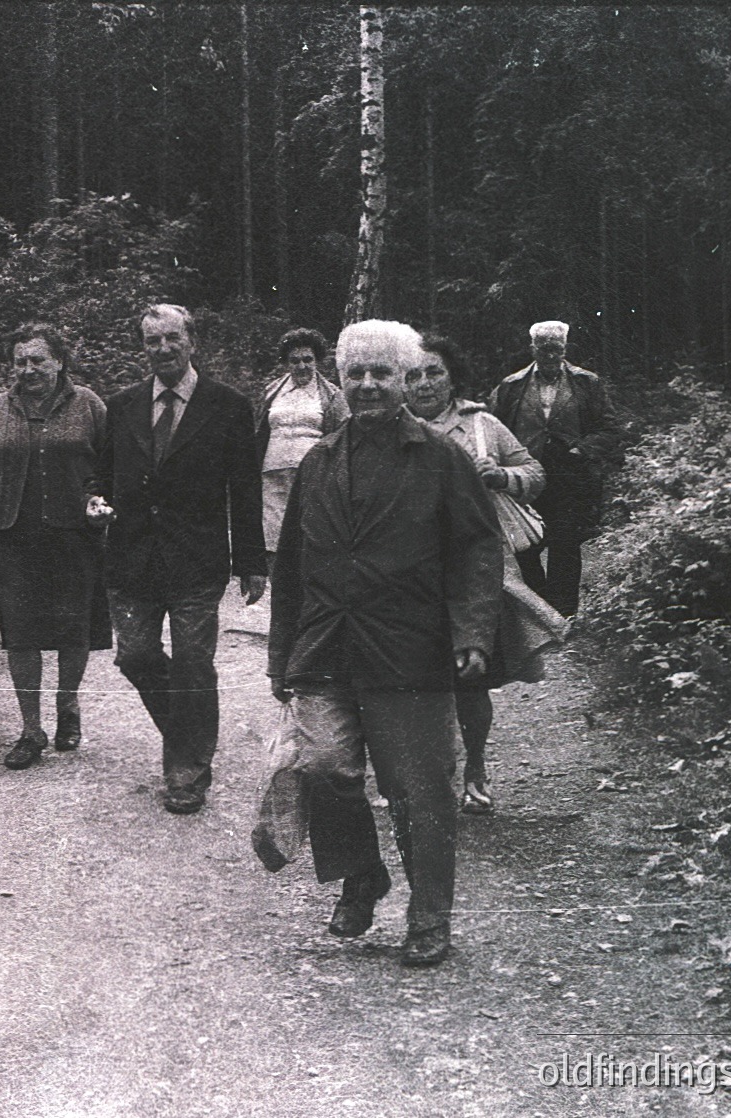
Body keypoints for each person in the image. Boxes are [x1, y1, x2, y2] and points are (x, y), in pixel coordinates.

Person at [254, 320, 503, 966]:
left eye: (382, 374)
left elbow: (478, 550)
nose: (367, 385)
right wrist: (282, 655)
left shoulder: (441, 458)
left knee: (419, 789)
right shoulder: (320, 460)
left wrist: (473, 633)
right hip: (328, 645)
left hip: (410, 649)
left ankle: (429, 917)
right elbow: (292, 569)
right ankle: (363, 871)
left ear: (405, 381)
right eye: (356, 373)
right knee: (324, 765)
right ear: (343, 380)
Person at [93, 304, 267, 815]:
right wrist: (94, 501)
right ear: (142, 347)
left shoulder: (228, 405)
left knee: (193, 663)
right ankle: (191, 740)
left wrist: (251, 560)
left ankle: (186, 773)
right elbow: (99, 475)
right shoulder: (120, 406)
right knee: (135, 656)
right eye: (152, 341)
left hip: (197, 560)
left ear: (192, 340)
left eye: (172, 338)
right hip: (133, 558)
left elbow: (246, 488)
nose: (163, 349)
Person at [411, 334, 565, 815]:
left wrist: (499, 475)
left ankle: (474, 766)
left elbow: (535, 473)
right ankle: (423, 772)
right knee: (413, 677)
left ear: (453, 376)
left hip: (475, 573)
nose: (423, 383)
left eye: (433, 371)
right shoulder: (387, 427)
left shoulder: (482, 425)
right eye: (412, 374)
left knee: (470, 679)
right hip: (410, 573)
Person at [0, 323, 108, 770]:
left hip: (73, 537)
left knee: (72, 629)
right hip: (11, 537)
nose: (28, 369)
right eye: (20, 361)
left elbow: (112, 468)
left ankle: (68, 707)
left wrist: (100, 501)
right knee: (20, 635)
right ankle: (31, 730)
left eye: (37, 360)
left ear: (59, 361)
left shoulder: (89, 405)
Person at [488, 321, 622, 617]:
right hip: (524, 480)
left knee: (565, 546)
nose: (550, 354)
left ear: (565, 349)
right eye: (543, 348)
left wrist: (581, 450)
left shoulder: (587, 383)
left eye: (556, 349)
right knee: (526, 545)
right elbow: (491, 430)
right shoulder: (511, 387)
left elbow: (610, 428)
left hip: (570, 478)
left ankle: (564, 617)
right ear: (532, 348)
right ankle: (537, 614)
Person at [255, 327, 349, 560]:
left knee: (307, 537)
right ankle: (277, 593)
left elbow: (341, 436)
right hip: (273, 475)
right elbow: (260, 430)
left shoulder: (332, 396)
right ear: (286, 363)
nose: (302, 366)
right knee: (273, 539)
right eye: (294, 360)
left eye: (308, 359)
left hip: (313, 476)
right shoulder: (272, 392)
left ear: (317, 360)